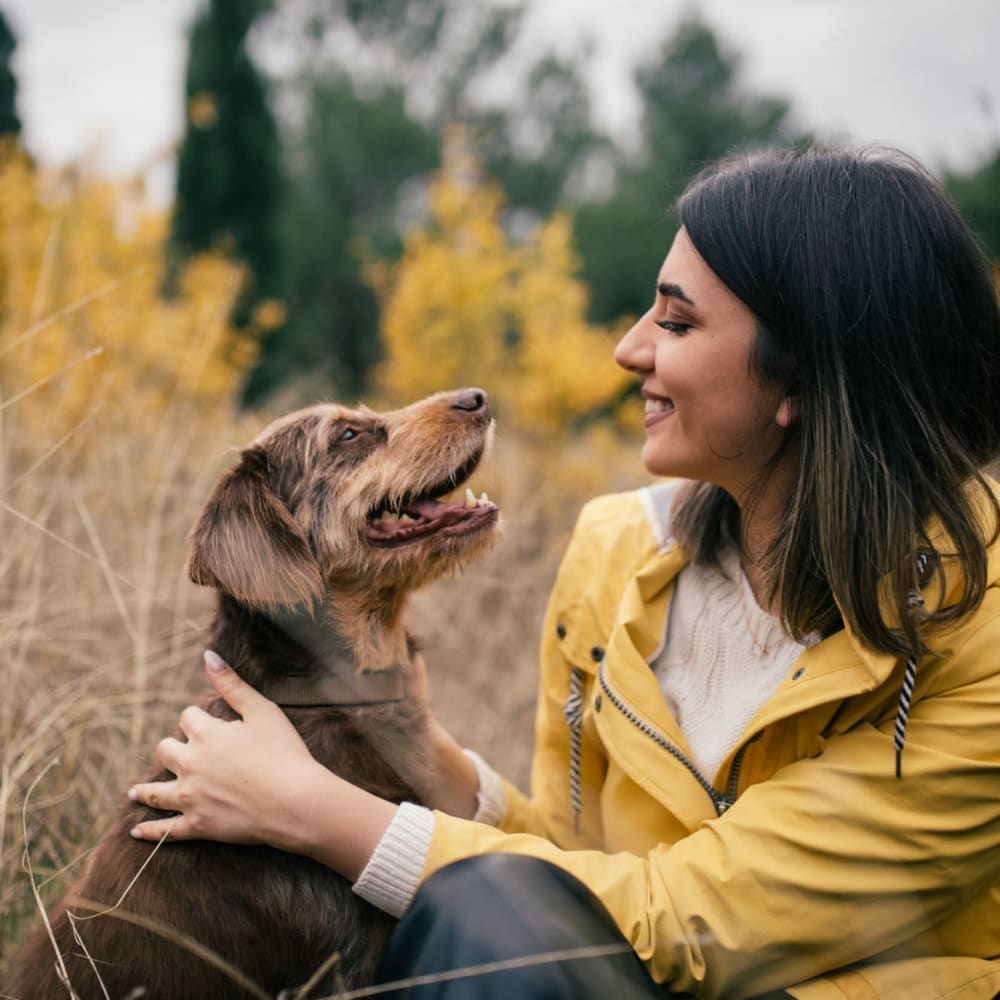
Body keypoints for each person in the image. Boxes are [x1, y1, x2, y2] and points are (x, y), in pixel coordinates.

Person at [129, 146, 1000, 999]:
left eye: (678, 322)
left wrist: (317, 815)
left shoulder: (980, 631)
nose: (629, 350)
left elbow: (680, 918)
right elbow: (577, 865)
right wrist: (430, 762)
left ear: (804, 375)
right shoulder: (615, 556)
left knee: (475, 923)